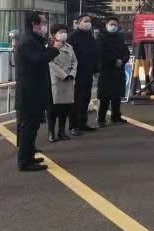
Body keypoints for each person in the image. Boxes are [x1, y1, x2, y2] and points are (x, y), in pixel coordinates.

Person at [15, 12, 59, 171]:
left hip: (35, 91)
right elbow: (39, 60)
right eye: (44, 22)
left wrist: (50, 48)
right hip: (29, 92)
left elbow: (40, 57)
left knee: (33, 127)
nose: (45, 25)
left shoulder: (34, 40)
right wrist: (55, 49)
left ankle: (30, 155)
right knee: (28, 127)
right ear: (34, 24)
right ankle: (24, 162)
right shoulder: (27, 42)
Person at [68, 14, 99, 135]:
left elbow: (94, 54)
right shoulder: (72, 37)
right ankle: (73, 126)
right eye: (85, 21)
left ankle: (82, 123)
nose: (88, 23)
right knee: (76, 100)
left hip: (88, 73)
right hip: (77, 73)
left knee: (85, 98)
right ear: (79, 22)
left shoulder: (90, 37)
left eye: (89, 21)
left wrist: (95, 70)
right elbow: (68, 56)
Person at [96, 17, 130, 127]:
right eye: (111, 24)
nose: (113, 26)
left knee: (117, 95)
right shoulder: (101, 37)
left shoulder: (120, 37)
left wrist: (123, 60)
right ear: (106, 25)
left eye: (115, 24)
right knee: (104, 96)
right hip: (106, 70)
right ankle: (101, 119)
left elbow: (126, 52)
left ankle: (116, 116)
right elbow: (102, 53)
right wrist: (114, 61)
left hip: (118, 71)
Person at [48, 24, 78, 142]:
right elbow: (50, 63)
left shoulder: (69, 47)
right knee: (53, 109)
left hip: (69, 80)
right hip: (56, 80)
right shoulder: (50, 47)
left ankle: (61, 131)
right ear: (54, 34)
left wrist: (71, 74)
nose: (63, 34)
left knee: (65, 108)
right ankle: (51, 132)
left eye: (65, 31)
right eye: (60, 32)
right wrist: (63, 75)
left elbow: (75, 62)